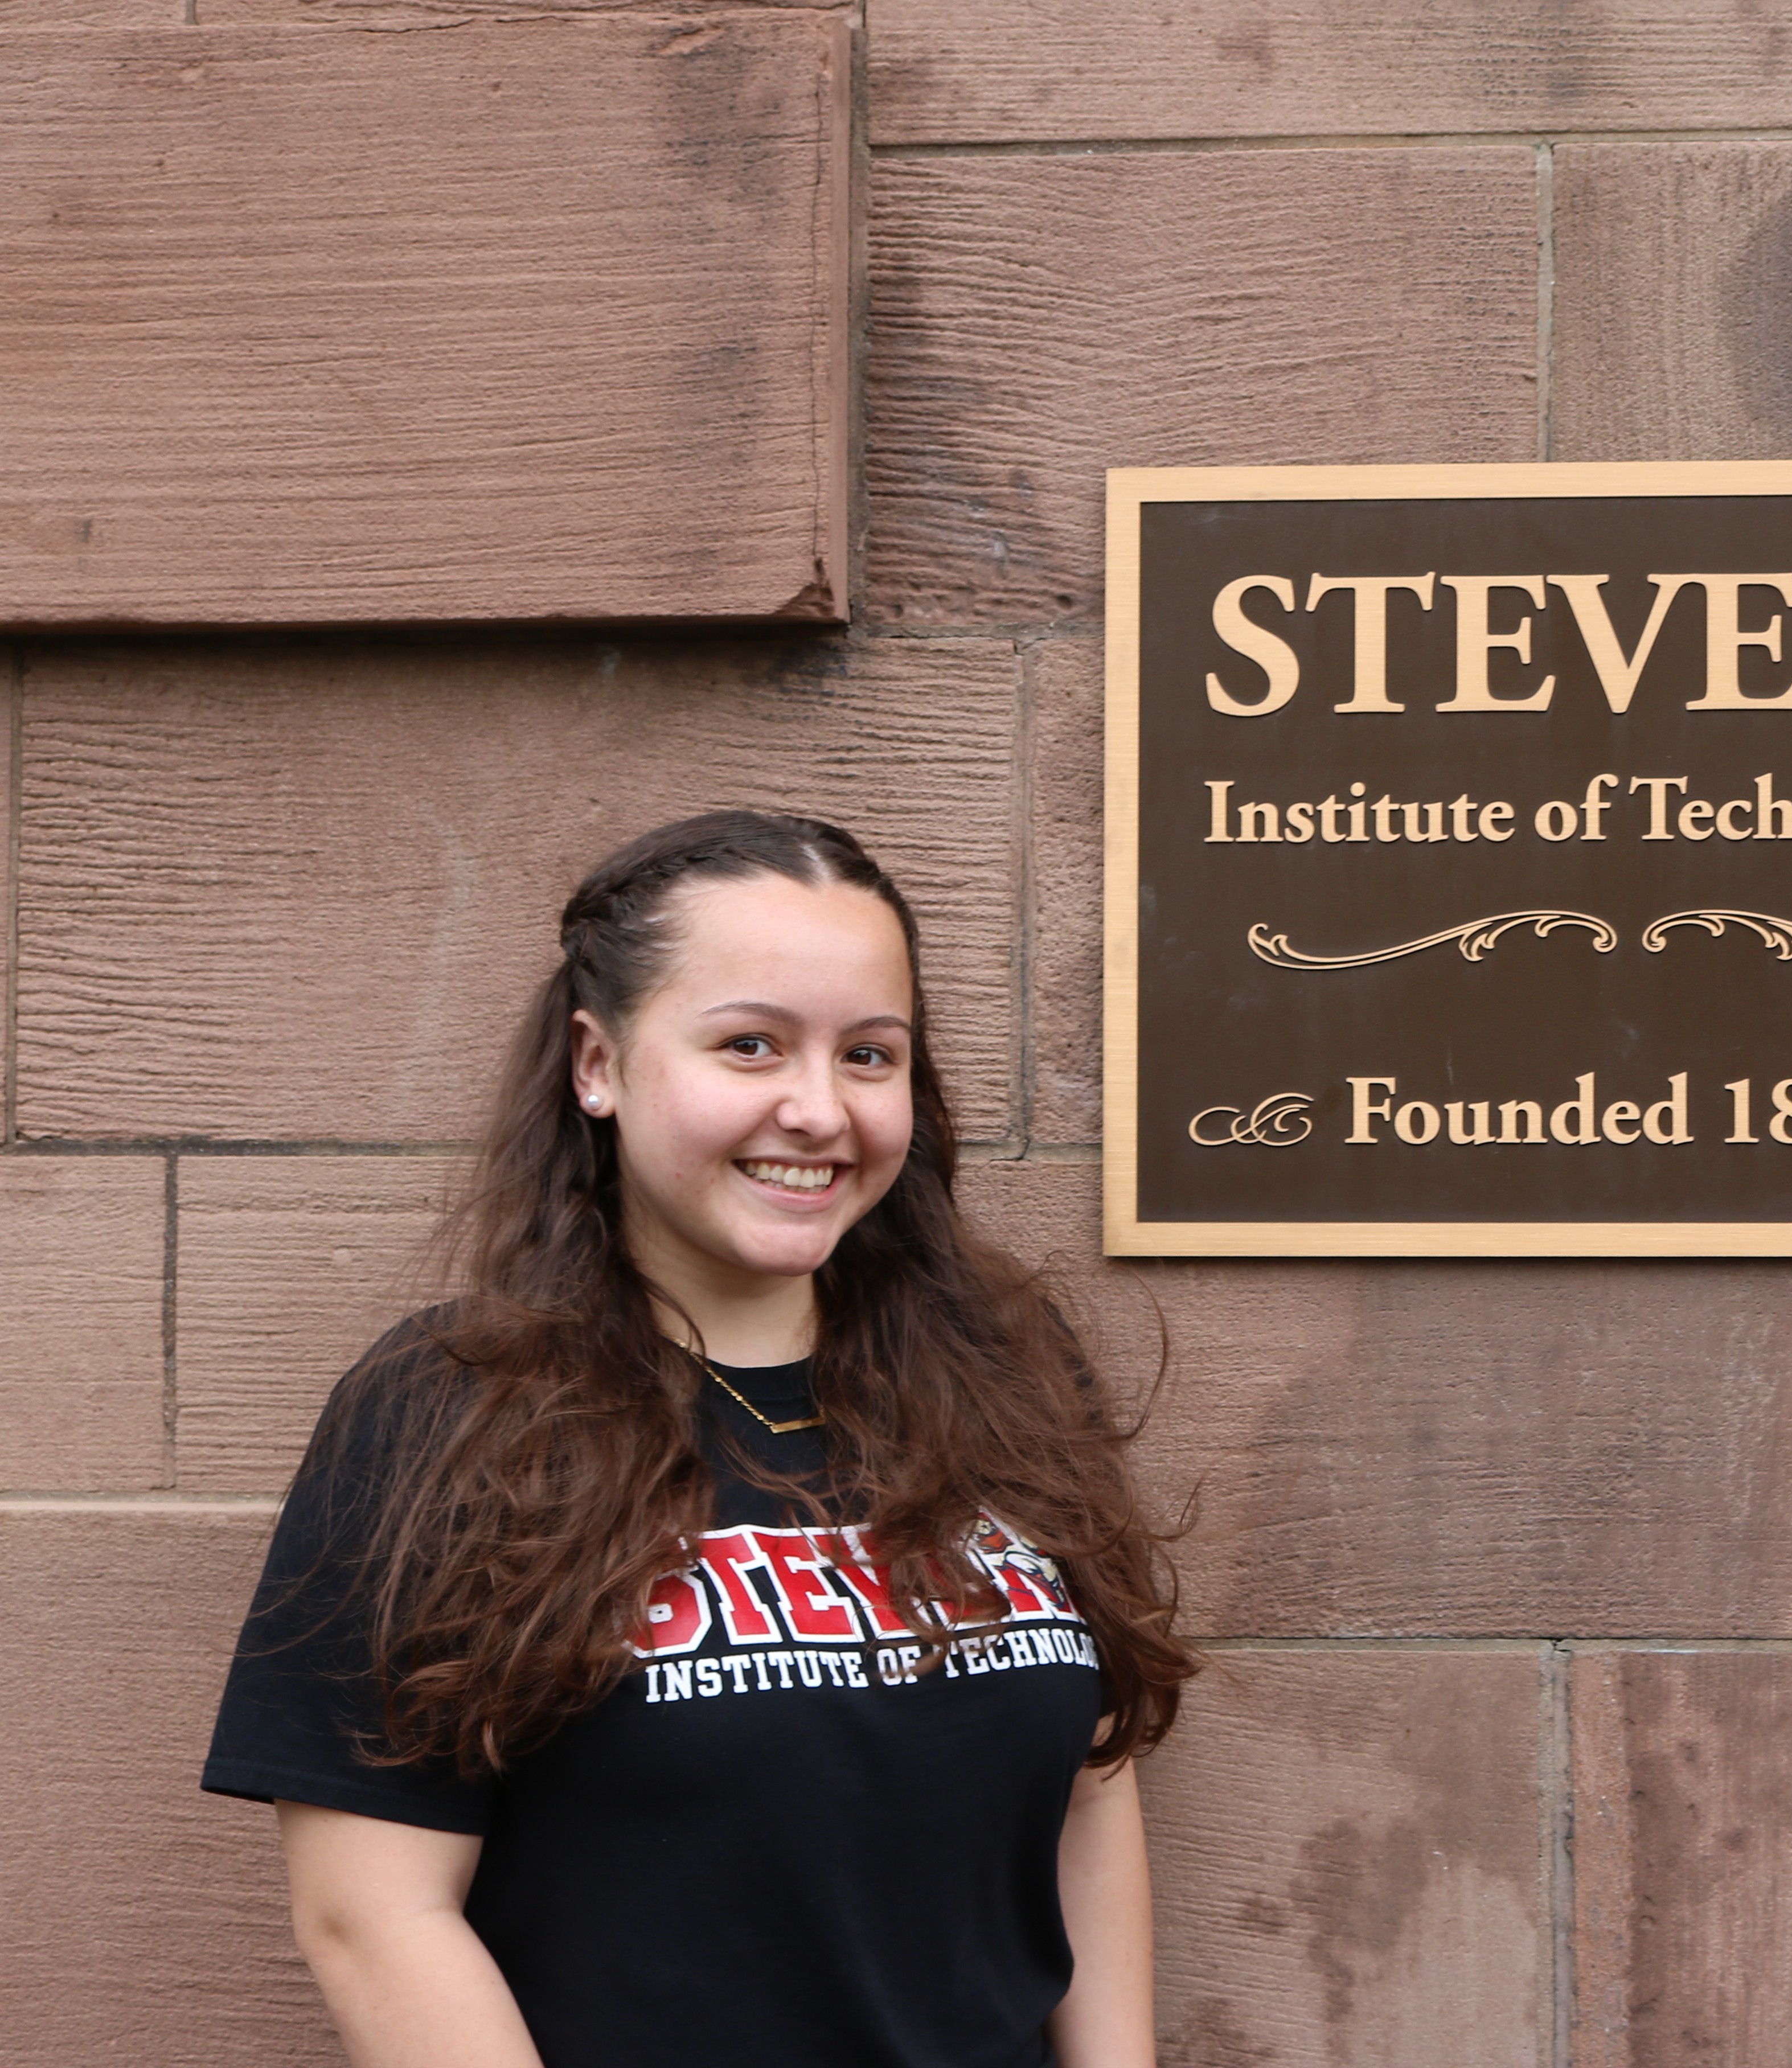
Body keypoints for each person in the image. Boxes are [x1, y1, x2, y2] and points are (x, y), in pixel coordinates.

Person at [203, 810, 1192, 2068]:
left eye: (870, 1055)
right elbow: (373, 1916)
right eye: (750, 1044)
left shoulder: (1004, 1373)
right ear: (598, 1063)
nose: (819, 1110)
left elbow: (1088, 1787)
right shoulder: (446, 1408)